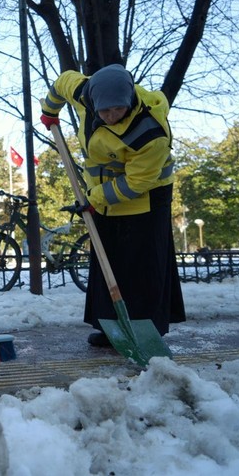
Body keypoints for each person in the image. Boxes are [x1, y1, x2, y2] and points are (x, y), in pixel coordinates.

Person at [39, 63, 186, 347]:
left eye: (118, 110)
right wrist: (49, 111)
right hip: (102, 196)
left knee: (141, 263)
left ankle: (147, 329)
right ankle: (109, 327)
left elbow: (136, 182)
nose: (110, 116)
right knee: (107, 258)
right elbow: (61, 83)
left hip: (146, 198)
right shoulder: (83, 91)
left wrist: (93, 199)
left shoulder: (150, 132)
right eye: (104, 111)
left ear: (129, 101)